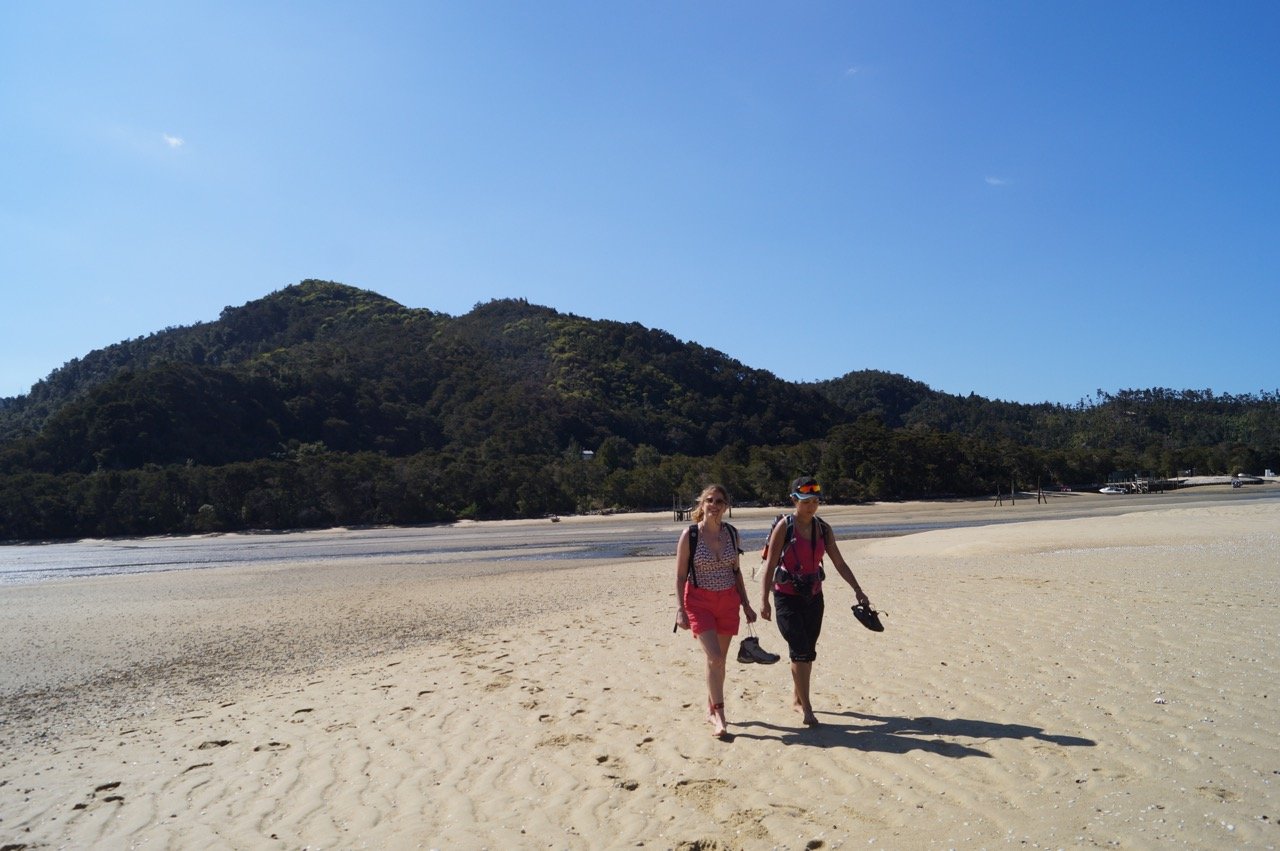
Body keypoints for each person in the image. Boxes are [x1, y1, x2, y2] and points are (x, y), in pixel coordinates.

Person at [760, 476, 871, 726]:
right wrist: (764, 600)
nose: (811, 506)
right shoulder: (785, 527)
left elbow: (839, 562)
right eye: (806, 501)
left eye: (815, 501)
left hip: (813, 597)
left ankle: (797, 699)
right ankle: (807, 708)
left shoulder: (823, 528)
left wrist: (857, 589)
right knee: (799, 650)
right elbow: (770, 564)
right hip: (786, 597)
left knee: (807, 653)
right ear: (794, 500)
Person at [674, 484, 757, 738]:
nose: (714, 505)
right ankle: (720, 716)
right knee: (715, 658)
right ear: (702, 504)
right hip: (699, 602)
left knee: (719, 661)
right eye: (709, 500)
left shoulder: (731, 533)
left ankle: (711, 708)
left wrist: (746, 604)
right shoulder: (690, 535)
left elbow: (736, 571)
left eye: (719, 501)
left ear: (726, 506)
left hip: (729, 601)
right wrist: (680, 610)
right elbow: (680, 576)